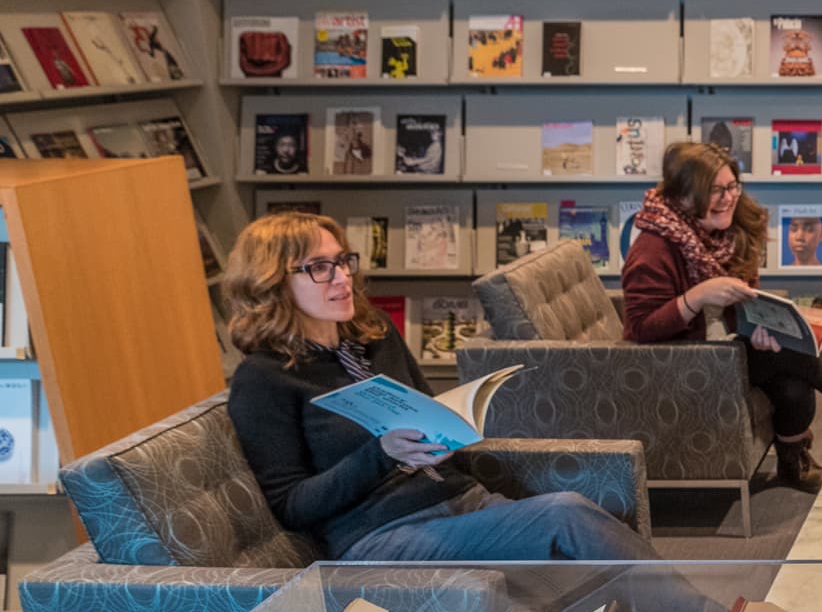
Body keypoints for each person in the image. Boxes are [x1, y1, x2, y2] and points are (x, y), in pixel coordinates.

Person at [224, 212, 660, 564]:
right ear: (274, 283)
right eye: (319, 268)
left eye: (342, 261)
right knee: (565, 514)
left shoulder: (375, 335)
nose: (341, 277)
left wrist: (445, 434)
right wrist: (382, 454)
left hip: (456, 497)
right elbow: (293, 504)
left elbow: (424, 410)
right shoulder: (264, 377)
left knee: (584, 562)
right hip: (380, 534)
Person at [620, 141, 822, 494]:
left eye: (732, 186)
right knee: (791, 355)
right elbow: (639, 329)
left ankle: (795, 459)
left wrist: (761, 325)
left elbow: (744, 302)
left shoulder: (733, 229)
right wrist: (695, 297)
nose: (729, 198)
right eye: (715, 190)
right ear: (684, 195)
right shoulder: (653, 247)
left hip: (728, 349)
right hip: (684, 364)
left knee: (791, 368)